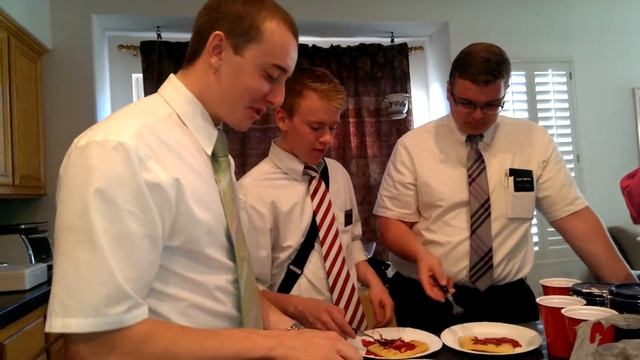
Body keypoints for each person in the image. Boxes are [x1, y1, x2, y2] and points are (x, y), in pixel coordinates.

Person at [45, 1, 360, 359]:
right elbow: (97, 343)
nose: (278, 99)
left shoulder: (213, 154)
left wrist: (296, 332)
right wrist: (280, 344)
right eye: (271, 75)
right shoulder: (119, 150)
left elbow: (224, 288)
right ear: (217, 50)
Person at [373, 42, 638, 334]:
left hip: (507, 299)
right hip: (427, 296)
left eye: (490, 105)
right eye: (466, 103)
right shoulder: (414, 146)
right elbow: (390, 224)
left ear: (504, 93)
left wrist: (631, 292)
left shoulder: (533, 142)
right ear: (449, 92)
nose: (477, 115)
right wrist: (422, 255)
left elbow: (575, 218)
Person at [238, 66, 394, 339]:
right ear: (283, 118)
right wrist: (300, 307)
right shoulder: (251, 194)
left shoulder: (338, 174)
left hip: (349, 332)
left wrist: (374, 282)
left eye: (332, 127)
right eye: (315, 127)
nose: (327, 139)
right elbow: (248, 291)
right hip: (290, 339)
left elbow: (352, 242)